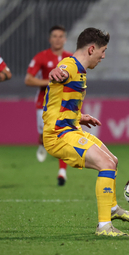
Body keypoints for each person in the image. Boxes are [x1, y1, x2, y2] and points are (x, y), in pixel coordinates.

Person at [46, 27, 129, 237]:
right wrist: (53, 73)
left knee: (112, 161)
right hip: (58, 136)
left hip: (72, 128)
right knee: (105, 165)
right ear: (91, 49)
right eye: (103, 51)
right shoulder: (68, 66)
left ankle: (113, 209)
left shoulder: (79, 69)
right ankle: (104, 226)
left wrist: (79, 116)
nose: (104, 56)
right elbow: (58, 74)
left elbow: (55, 103)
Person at [25, 25, 72, 186]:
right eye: (54, 36)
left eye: (60, 36)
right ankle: (41, 145)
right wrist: (50, 82)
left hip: (64, 103)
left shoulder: (71, 58)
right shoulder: (41, 57)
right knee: (43, 135)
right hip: (43, 103)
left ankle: (62, 172)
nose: (57, 39)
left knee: (63, 135)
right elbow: (28, 79)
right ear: (49, 39)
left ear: (65, 39)